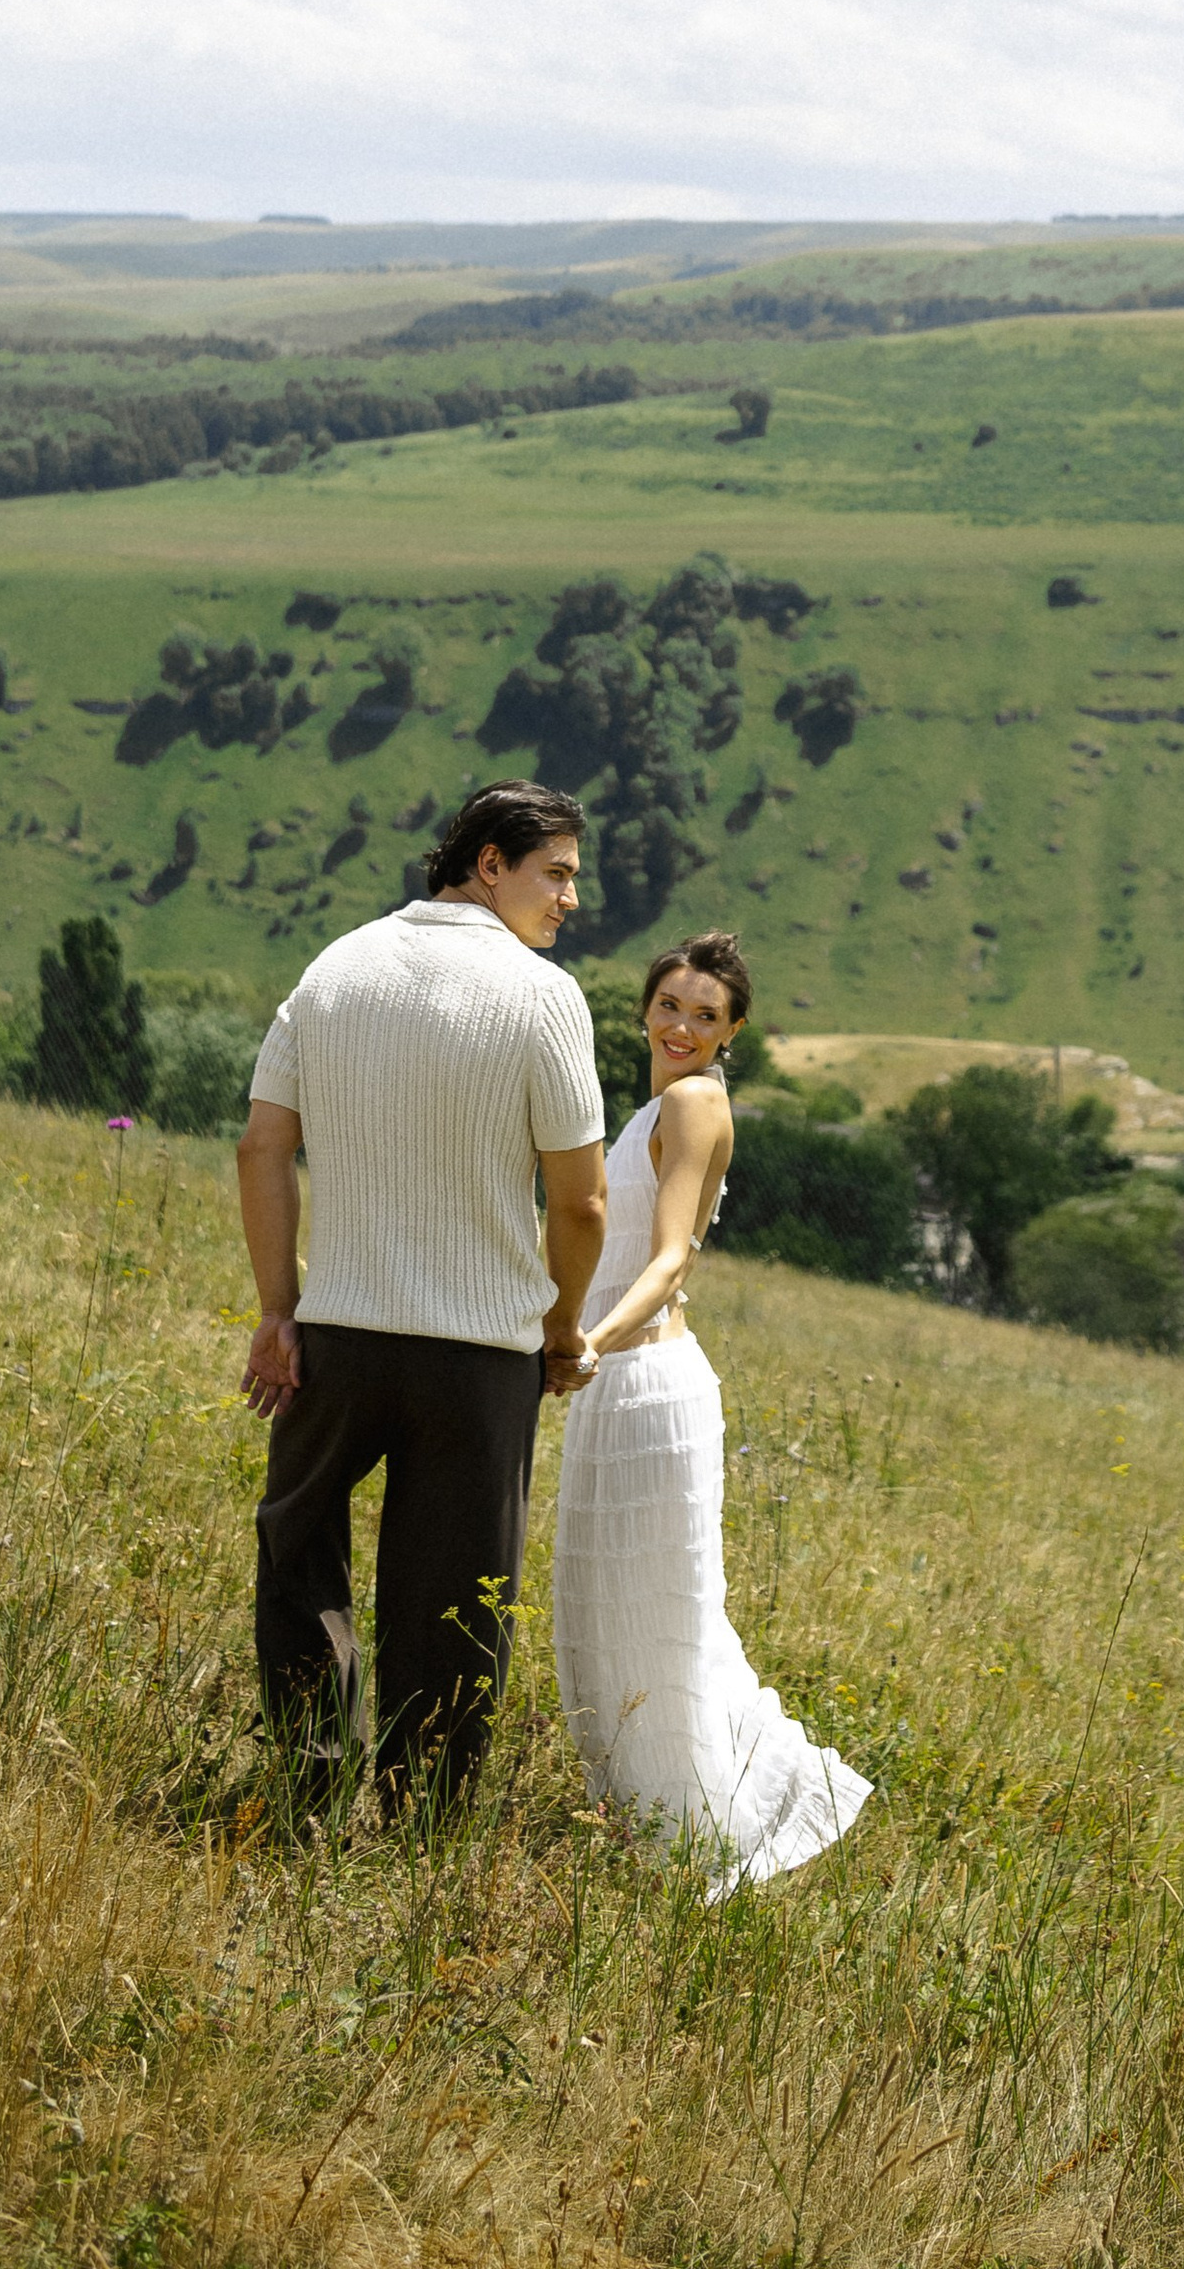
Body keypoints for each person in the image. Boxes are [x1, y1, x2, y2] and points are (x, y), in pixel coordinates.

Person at [235, 780, 609, 1813]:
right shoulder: (542, 994)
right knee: (450, 1603)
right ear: (489, 862)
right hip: (478, 1355)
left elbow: (262, 1142)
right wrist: (562, 1324)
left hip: (335, 1340)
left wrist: (280, 1306)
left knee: (297, 1553)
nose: (572, 897)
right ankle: (420, 1819)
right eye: (559, 872)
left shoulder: (334, 965)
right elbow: (580, 1201)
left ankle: (309, 1787)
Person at [554, 930, 873, 1892]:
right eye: (670, 1006)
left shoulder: (694, 1103)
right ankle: (642, 1820)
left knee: (655, 1617)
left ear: (732, 1031)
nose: (683, 1026)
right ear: (644, 1009)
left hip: (646, 1384)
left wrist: (585, 1344)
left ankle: (704, 1825)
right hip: (621, 1384)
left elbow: (668, 1260)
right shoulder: (656, 1102)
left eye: (706, 1014)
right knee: (609, 1610)